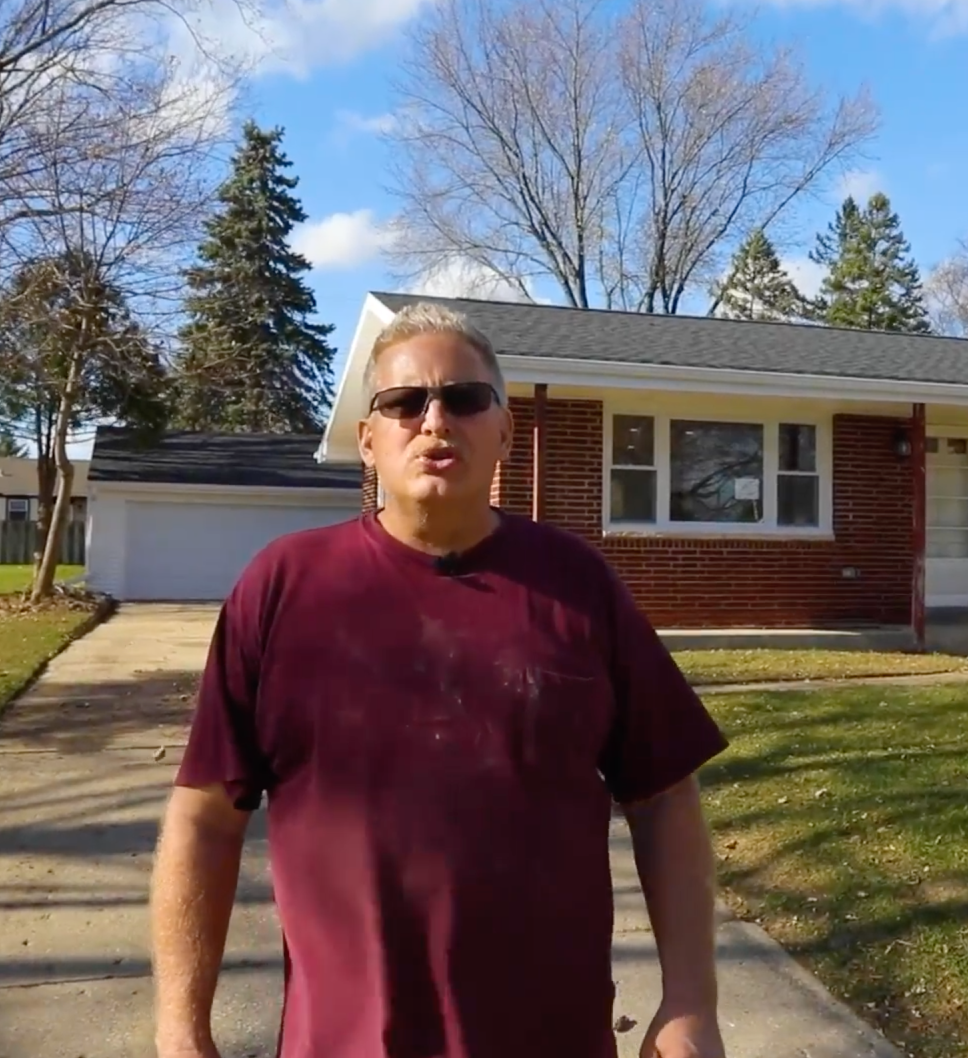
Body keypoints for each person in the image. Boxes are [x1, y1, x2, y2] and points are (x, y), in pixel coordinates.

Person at [148, 301, 731, 1058]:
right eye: (402, 402)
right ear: (367, 439)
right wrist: (180, 1027)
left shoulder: (576, 585)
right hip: (345, 1041)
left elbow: (663, 798)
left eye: (463, 398)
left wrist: (690, 999)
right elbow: (204, 818)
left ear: (503, 431)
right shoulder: (284, 585)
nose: (433, 420)